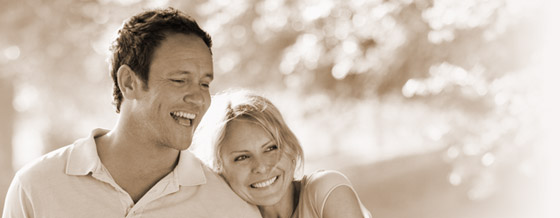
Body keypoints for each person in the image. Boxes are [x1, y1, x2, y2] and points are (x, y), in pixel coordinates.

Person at [2, 8, 261, 217]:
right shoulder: (36, 187)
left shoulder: (230, 207)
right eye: (179, 80)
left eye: (205, 84)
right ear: (128, 82)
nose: (198, 98)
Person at [190, 89, 372, 218]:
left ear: (290, 148)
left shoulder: (326, 190)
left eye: (271, 148)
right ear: (219, 170)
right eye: (242, 157)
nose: (261, 166)